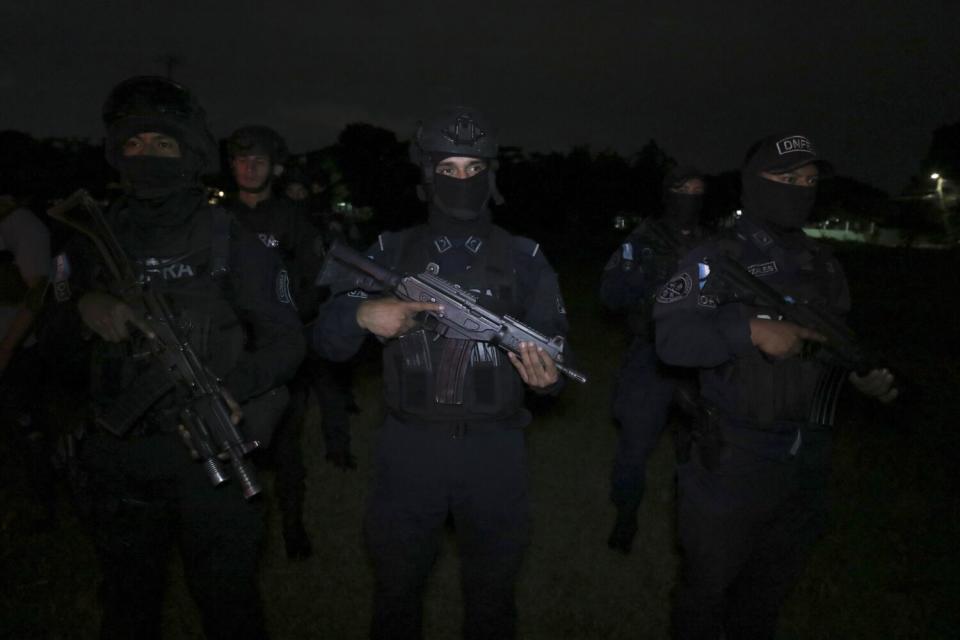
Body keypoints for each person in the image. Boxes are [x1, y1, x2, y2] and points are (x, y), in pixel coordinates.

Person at [47, 76, 304, 640]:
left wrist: (236, 392)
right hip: (119, 459)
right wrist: (86, 308)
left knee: (228, 604)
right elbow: (52, 333)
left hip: (207, 453)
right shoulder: (91, 236)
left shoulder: (230, 237)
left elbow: (288, 339)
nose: (147, 156)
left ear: (189, 152)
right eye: (134, 145)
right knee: (127, 605)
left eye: (162, 145)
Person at [313, 106, 571, 640]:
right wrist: (363, 314)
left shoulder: (525, 258)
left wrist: (549, 379)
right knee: (397, 595)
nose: (461, 180)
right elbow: (327, 342)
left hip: (495, 452)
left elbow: (556, 353)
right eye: (448, 168)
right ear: (428, 175)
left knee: (493, 599)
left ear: (491, 175)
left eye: (473, 169)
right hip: (409, 451)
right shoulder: (391, 248)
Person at [653, 133, 897, 639]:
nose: (799, 189)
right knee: (706, 592)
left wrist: (861, 378)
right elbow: (672, 340)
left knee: (765, 598)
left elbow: (831, 346)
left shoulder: (823, 265)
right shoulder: (712, 257)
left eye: (807, 180)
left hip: (806, 461)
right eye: (786, 179)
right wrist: (748, 330)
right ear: (753, 183)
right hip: (733, 456)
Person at [224, 124, 330, 558]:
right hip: (227, 353)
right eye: (242, 159)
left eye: (260, 160)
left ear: (275, 168)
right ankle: (235, 534)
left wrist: (284, 323)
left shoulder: (293, 219)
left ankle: (292, 526)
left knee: (287, 446)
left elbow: (316, 281)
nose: (250, 167)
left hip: (282, 354)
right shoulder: (216, 219)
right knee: (226, 441)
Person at [600, 166, 706, 553]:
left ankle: (691, 524)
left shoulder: (713, 243)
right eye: (682, 189)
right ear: (668, 193)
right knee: (634, 445)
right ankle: (626, 516)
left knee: (699, 449)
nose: (690, 196)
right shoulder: (642, 239)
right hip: (652, 355)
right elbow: (610, 295)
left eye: (698, 190)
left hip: (700, 359)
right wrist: (639, 279)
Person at [0, 194, 56, 525]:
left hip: (16, 351)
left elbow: (38, 291)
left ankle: (39, 508)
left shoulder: (23, 225)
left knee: (25, 434)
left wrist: (7, 348)